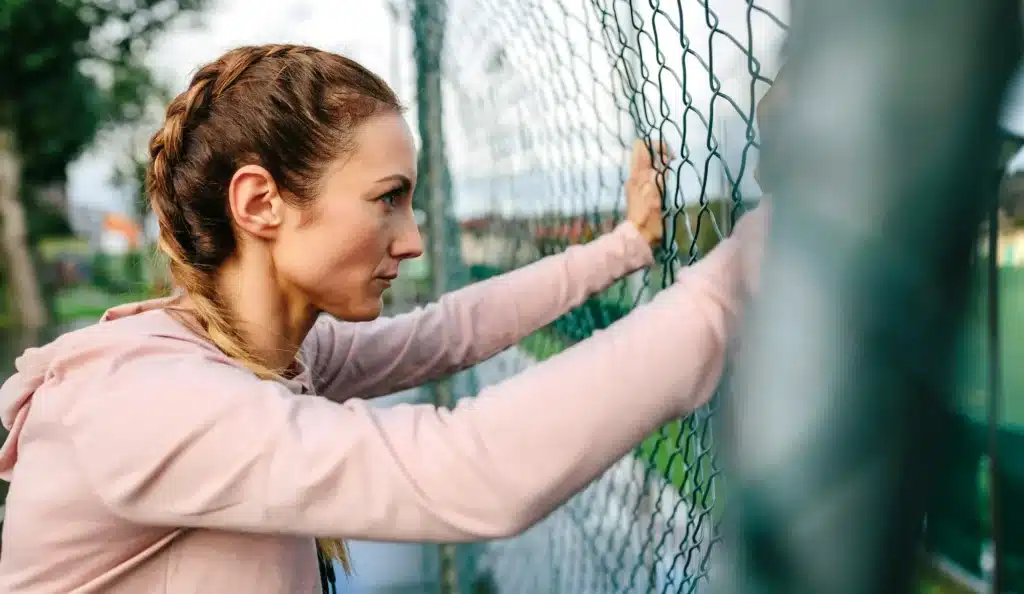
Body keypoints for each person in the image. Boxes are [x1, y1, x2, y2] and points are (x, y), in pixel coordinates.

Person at [0, 44, 767, 593]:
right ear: (261, 204)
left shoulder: (272, 354)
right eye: (387, 198)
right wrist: (753, 269)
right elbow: (468, 470)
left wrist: (626, 247)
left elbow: (447, 332)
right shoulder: (144, 398)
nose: (412, 237)